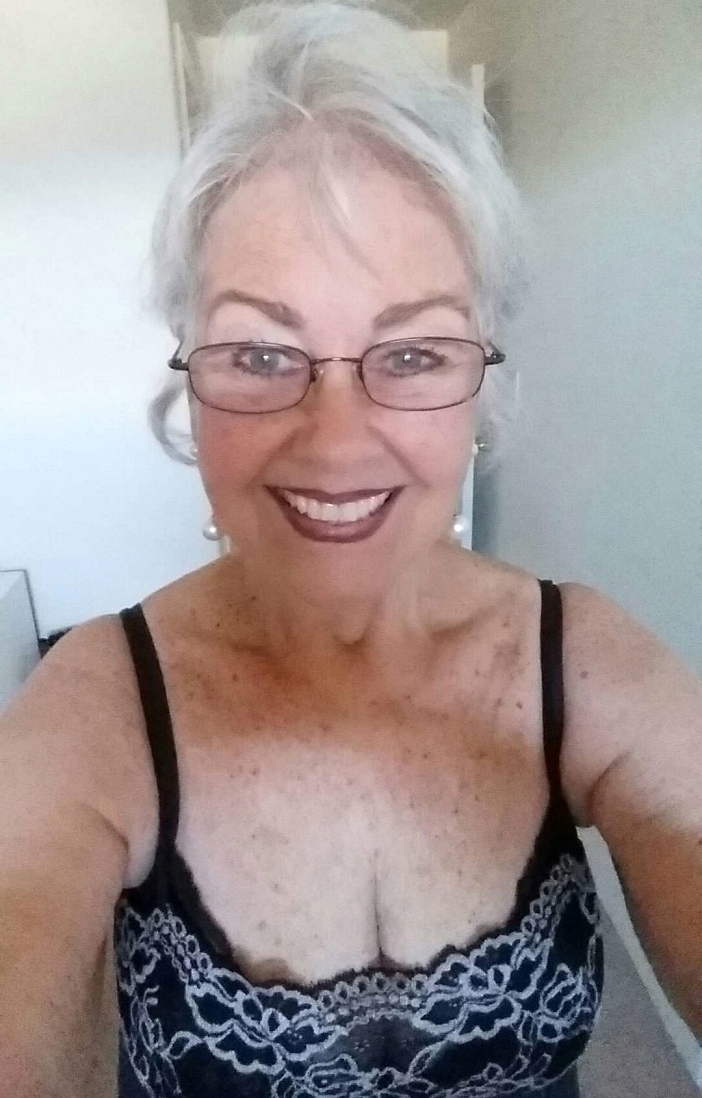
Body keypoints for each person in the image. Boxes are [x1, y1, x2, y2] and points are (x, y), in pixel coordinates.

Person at [2, 3, 700, 1096]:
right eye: (261, 353)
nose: (335, 442)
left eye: (412, 353)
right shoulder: (98, 703)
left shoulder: (583, 657)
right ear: (189, 372)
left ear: (484, 380)